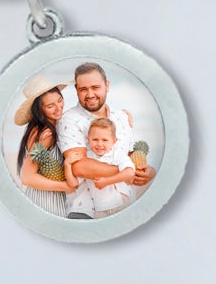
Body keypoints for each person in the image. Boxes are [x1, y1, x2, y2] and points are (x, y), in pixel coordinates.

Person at [57, 61, 156, 198]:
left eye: (95, 87)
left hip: (126, 203)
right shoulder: (69, 120)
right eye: (83, 89)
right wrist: (126, 172)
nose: (90, 94)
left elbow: (128, 155)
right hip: (88, 211)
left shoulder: (121, 117)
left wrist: (147, 170)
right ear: (76, 90)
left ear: (107, 86)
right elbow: (79, 166)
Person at [64, 116, 141, 218]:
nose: (99, 144)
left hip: (120, 202)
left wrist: (107, 181)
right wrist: (67, 165)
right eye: (95, 139)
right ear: (88, 140)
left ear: (114, 141)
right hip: (100, 209)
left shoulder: (117, 154)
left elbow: (129, 172)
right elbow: (73, 183)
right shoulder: (87, 158)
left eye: (105, 140)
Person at [12, 84, 70, 216]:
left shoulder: (38, 128)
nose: (58, 108)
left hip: (36, 196)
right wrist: (64, 186)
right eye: (50, 106)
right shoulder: (47, 133)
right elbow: (27, 177)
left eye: (60, 100)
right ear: (40, 110)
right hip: (48, 201)